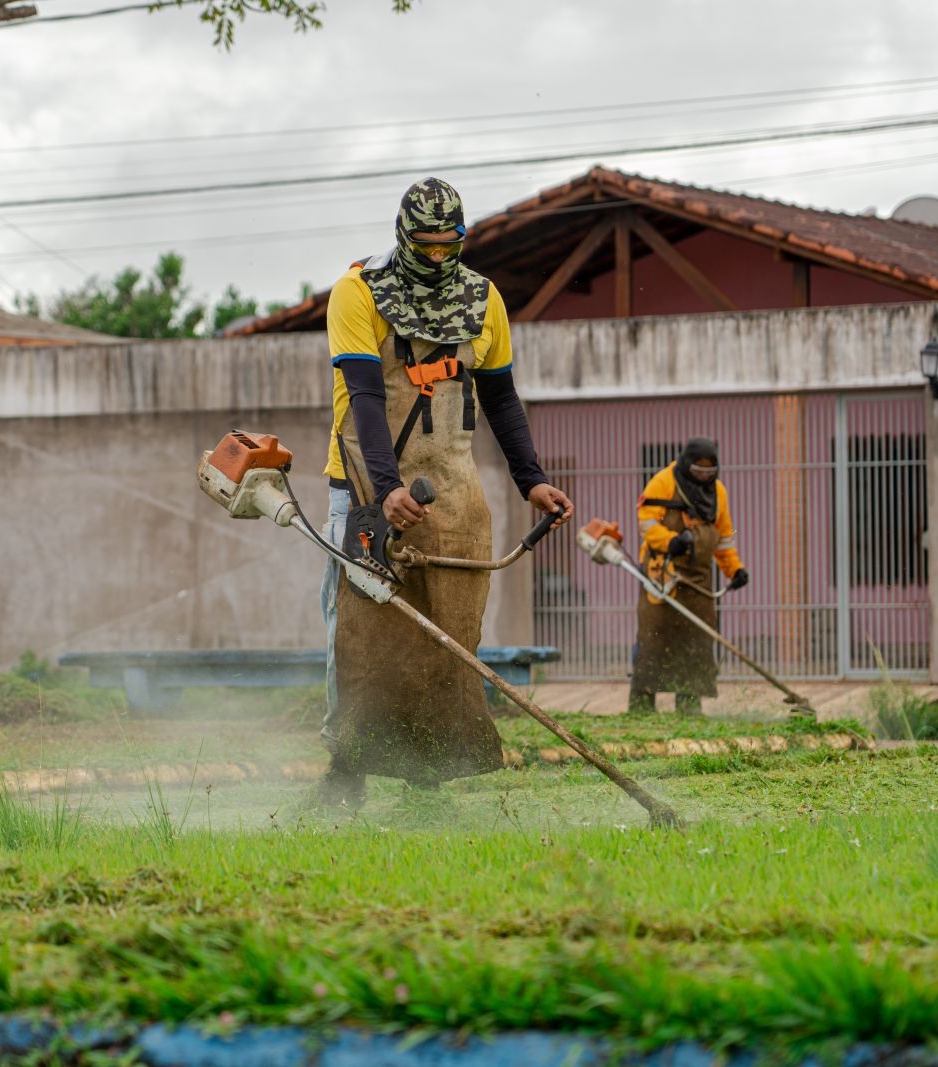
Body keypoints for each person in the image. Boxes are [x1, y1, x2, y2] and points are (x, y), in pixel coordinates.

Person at [318, 177, 573, 804]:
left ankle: (427, 774)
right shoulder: (357, 291)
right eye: (425, 246)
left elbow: (501, 398)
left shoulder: (484, 299)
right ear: (403, 237)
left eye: (448, 246)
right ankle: (346, 770)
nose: (437, 257)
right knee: (358, 627)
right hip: (366, 486)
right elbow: (366, 396)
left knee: (446, 631)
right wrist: (385, 490)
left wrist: (532, 480)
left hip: (453, 488)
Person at [628, 437, 749, 717]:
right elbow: (646, 524)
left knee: (697, 641)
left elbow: (724, 539)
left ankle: (689, 706)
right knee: (653, 638)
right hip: (662, 575)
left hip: (698, 581)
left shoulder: (718, 493)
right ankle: (641, 707)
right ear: (686, 464)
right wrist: (670, 541)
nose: (704, 477)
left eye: (709, 472)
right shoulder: (663, 482)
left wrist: (734, 569)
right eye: (698, 471)